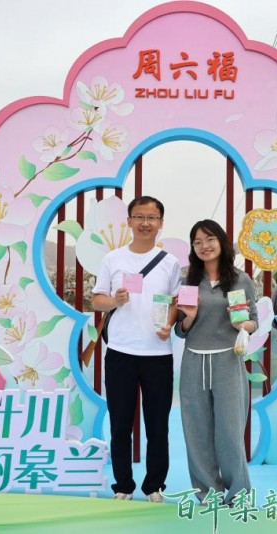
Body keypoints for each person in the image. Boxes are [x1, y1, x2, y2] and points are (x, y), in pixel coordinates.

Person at [91, 195, 181, 503]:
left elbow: (176, 302)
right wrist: (114, 300)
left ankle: (154, 485)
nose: (145, 223)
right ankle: (123, 485)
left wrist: (169, 323)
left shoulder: (169, 263)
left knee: (157, 426)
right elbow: (97, 300)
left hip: (158, 354)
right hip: (121, 353)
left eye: (152, 218)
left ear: (160, 223)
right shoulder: (113, 259)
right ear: (129, 221)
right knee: (120, 424)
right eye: (139, 217)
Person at [175, 219, 257, 505]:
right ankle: (207, 492)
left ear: (221, 241)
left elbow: (253, 321)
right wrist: (189, 317)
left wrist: (243, 324)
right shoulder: (188, 281)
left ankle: (238, 493)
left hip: (227, 360)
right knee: (196, 430)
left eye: (209, 239)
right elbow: (180, 330)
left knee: (230, 431)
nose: (204, 246)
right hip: (194, 361)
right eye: (197, 242)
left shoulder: (240, 279)